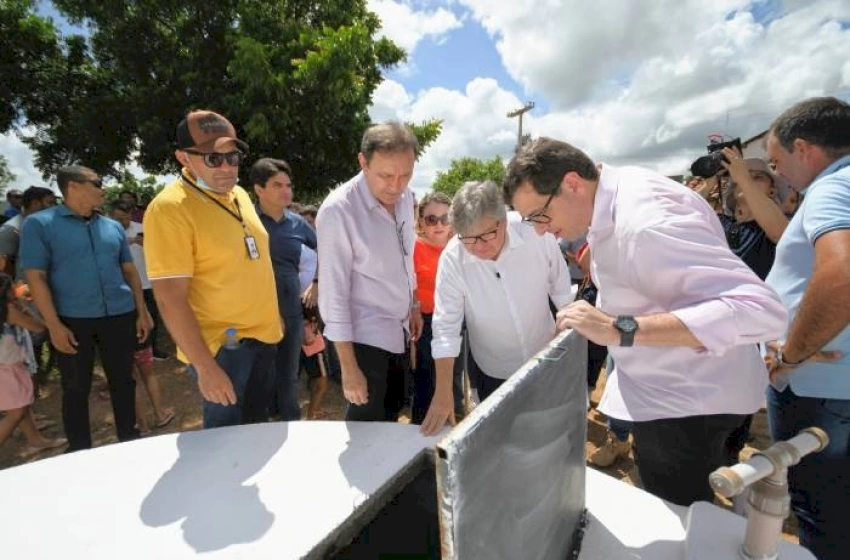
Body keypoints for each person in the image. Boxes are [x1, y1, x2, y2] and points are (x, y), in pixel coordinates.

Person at [503, 138, 787, 507]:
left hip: (686, 406)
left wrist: (618, 328)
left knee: (678, 515)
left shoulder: (645, 222)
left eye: (540, 215)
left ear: (572, 183)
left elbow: (759, 309)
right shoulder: (618, 193)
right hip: (679, 393)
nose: (541, 230)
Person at [144, 110, 282, 429]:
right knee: (225, 444)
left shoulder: (240, 195)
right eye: (212, 158)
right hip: (223, 350)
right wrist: (205, 368)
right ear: (184, 158)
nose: (226, 167)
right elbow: (169, 298)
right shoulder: (169, 209)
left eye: (232, 157)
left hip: (263, 338)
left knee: (256, 430)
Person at [763, 96, 850, 560]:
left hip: (820, 390)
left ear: (804, 148)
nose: (778, 174)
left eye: (777, 162)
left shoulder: (832, 190)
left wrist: (792, 354)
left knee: (822, 510)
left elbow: (842, 274)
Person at [20, 166, 152, 452]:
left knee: (123, 381)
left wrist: (142, 311)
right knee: (76, 388)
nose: (104, 189)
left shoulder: (112, 226)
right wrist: (53, 325)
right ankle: (80, 450)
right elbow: (36, 277)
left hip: (118, 315)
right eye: (98, 183)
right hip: (72, 320)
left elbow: (129, 271)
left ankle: (128, 440)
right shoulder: (40, 225)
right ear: (74, 186)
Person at [425, 181, 573, 435]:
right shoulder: (453, 258)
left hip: (546, 358)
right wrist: (443, 392)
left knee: (550, 433)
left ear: (503, 221)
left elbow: (561, 291)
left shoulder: (535, 233)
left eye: (486, 235)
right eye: (468, 239)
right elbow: (446, 327)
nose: (479, 248)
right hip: (493, 370)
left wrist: (566, 343)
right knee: (504, 439)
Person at [317, 121, 422, 422]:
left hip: (398, 329)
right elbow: (333, 295)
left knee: (392, 415)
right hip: (363, 340)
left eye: (406, 174)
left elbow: (406, 255)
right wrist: (349, 369)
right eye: (386, 175)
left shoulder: (404, 199)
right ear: (363, 162)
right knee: (366, 428)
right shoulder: (338, 211)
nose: (396, 186)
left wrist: (413, 302)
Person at [251, 158, 317, 421]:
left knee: (289, 376)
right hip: (255, 314)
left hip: (291, 312)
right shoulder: (246, 222)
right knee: (260, 377)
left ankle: (292, 427)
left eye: (288, 185)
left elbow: (324, 250)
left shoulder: (298, 224)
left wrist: (317, 283)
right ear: (259, 189)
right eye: (277, 185)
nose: (286, 190)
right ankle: (260, 431)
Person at [109, 201, 174, 433]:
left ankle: (156, 415)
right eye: (118, 219)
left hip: (141, 295)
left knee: (141, 370)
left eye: (125, 218)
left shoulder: (141, 227)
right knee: (131, 375)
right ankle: (143, 422)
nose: (122, 223)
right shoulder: (110, 236)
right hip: (125, 311)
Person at [410, 192, 464, 425]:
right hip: (425, 323)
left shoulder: (461, 246)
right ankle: (421, 435)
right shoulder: (412, 249)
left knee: (454, 380)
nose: (439, 224)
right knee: (426, 382)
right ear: (421, 221)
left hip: (457, 322)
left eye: (445, 218)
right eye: (432, 219)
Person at [0, 273, 66, 455]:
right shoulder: (9, 312)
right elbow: (39, 327)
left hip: (8, 366)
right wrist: (25, 306)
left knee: (21, 406)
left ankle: (35, 440)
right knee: (16, 413)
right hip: (6, 370)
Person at [0, 187, 56, 277]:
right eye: (50, 203)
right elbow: (3, 267)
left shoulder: (44, 226)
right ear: (35, 203)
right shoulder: (11, 229)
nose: (54, 207)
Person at [301, 304, 329, 419]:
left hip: (312, 351)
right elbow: (308, 340)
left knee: (315, 381)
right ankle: (311, 416)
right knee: (322, 384)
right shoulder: (307, 319)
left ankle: (315, 409)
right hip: (315, 351)